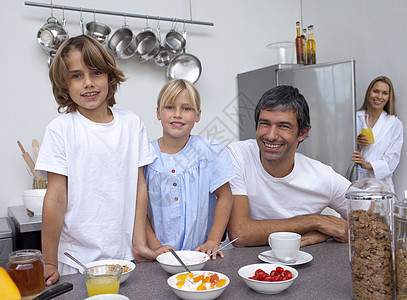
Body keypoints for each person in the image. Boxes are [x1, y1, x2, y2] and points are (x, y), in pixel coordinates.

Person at [35, 35, 157, 285]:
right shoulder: (60, 129)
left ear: (110, 77)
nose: (88, 83)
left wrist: (139, 242)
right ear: (64, 83)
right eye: (76, 75)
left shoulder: (132, 124)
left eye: (96, 73)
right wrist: (49, 261)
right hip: (74, 261)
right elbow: (56, 197)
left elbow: (139, 187)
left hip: (124, 258)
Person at [227, 85, 350, 248]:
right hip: (243, 267)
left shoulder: (324, 177)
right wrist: (315, 221)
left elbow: (379, 219)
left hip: (303, 267)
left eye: (283, 126)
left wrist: (321, 235)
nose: (270, 136)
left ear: (302, 133)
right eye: (265, 123)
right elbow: (239, 234)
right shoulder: (238, 155)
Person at [143, 79, 234, 259]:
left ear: (198, 115)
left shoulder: (209, 152)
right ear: (158, 113)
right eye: (169, 107)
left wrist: (213, 241)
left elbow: (225, 196)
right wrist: (155, 246)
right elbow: (138, 208)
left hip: (200, 254)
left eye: (186, 108)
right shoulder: (145, 156)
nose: (177, 114)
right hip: (157, 256)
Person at [351, 76, 403, 192]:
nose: (379, 97)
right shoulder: (354, 118)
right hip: (355, 181)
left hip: (381, 186)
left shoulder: (394, 124)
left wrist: (367, 165)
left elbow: (393, 158)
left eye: (384, 93)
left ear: (389, 97)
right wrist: (356, 144)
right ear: (369, 93)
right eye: (375, 91)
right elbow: (339, 153)